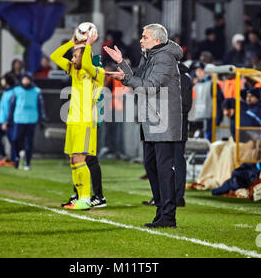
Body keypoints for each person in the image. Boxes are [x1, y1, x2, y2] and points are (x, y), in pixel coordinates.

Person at [104, 23, 183, 228]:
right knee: (151, 166)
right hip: (152, 121)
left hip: (162, 122)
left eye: (145, 37)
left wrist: (127, 77)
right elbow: (138, 80)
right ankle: (161, 212)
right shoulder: (152, 56)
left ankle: (168, 216)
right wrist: (122, 63)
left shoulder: (164, 58)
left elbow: (148, 86)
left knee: (164, 169)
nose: (141, 40)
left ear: (157, 40)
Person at [50, 30, 105, 211]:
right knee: (74, 160)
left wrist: (87, 45)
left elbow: (87, 64)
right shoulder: (75, 70)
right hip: (73, 121)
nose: (72, 59)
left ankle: (85, 199)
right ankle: (79, 198)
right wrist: (72, 43)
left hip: (86, 121)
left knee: (81, 158)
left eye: (75, 56)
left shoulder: (97, 72)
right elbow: (55, 56)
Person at [142, 61, 193, 208]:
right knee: (158, 163)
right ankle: (163, 197)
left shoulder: (183, 79)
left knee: (175, 162)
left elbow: (184, 106)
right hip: (163, 128)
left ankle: (177, 197)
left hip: (175, 128)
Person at [61, 55, 107, 208]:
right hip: (81, 121)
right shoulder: (85, 78)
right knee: (78, 159)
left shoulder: (95, 76)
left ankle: (98, 196)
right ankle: (79, 194)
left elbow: (98, 103)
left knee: (89, 160)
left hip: (89, 122)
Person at [6, 72, 46, 170]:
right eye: (24, 78)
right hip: (19, 119)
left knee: (29, 142)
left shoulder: (37, 91)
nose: (25, 81)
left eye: (27, 79)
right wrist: (8, 119)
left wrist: (41, 119)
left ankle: (27, 162)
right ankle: (17, 156)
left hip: (31, 119)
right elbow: (11, 106)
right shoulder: (16, 90)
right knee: (15, 139)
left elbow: (41, 106)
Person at [192, 61, 224, 141]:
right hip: (198, 119)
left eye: (200, 70)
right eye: (197, 70)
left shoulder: (213, 84)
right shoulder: (196, 85)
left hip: (209, 119)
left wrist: (217, 119)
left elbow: (219, 103)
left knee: (208, 142)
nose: (198, 73)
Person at [0, 73, 16, 167]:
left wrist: (6, 121)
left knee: (12, 141)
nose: (1, 81)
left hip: (7, 122)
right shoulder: (5, 92)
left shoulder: (13, 93)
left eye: (3, 79)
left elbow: (10, 109)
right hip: (0, 120)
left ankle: (14, 160)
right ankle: (4, 157)